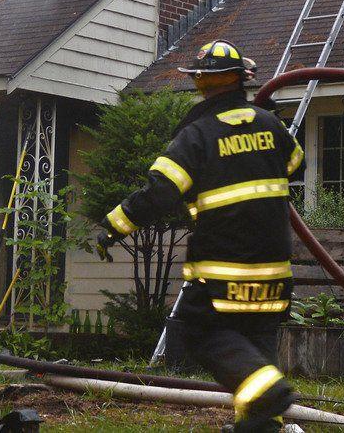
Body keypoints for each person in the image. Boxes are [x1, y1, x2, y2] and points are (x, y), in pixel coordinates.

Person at [97, 40, 304, 432]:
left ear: (201, 83)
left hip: (221, 268)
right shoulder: (272, 126)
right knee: (256, 343)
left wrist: (113, 226)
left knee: (197, 331)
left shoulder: (197, 136)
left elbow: (159, 192)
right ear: (243, 78)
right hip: (274, 269)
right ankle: (264, 425)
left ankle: (269, 394)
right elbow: (296, 162)